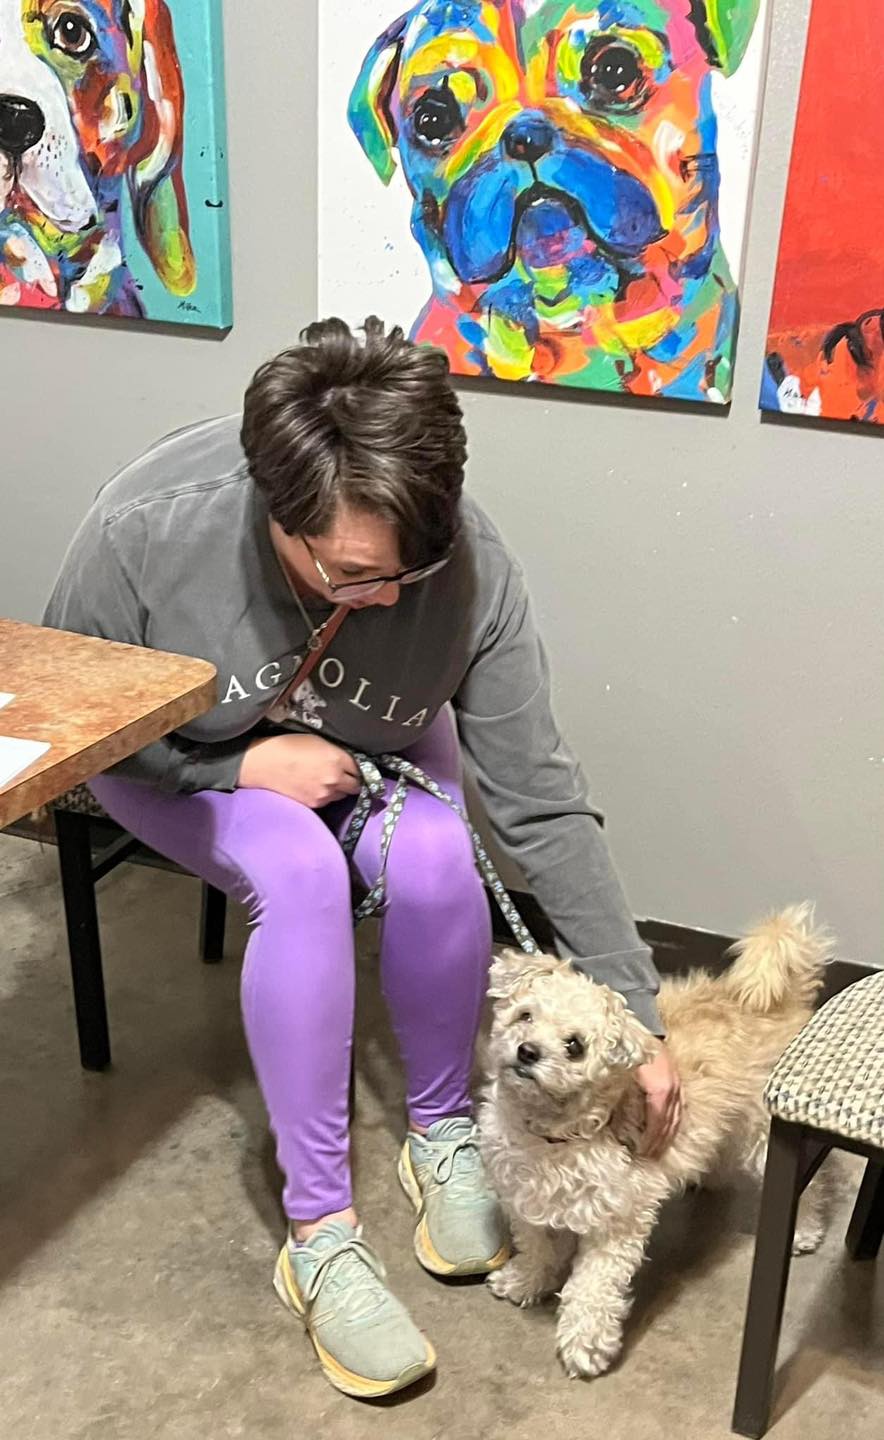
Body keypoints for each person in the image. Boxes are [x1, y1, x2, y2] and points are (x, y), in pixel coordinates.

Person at [44, 318, 680, 1398]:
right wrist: (236, 772)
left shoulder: (467, 565)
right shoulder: (148, 527)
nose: (389, 598)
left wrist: (638, 1011)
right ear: (273, 512)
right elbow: (77, 715)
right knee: (295, 867)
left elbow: (538, 800)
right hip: (180, 763)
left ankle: (438, 1133)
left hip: (365, 756)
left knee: (439, 848)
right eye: (354, 575)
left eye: (411, 570)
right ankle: (320, 1232)